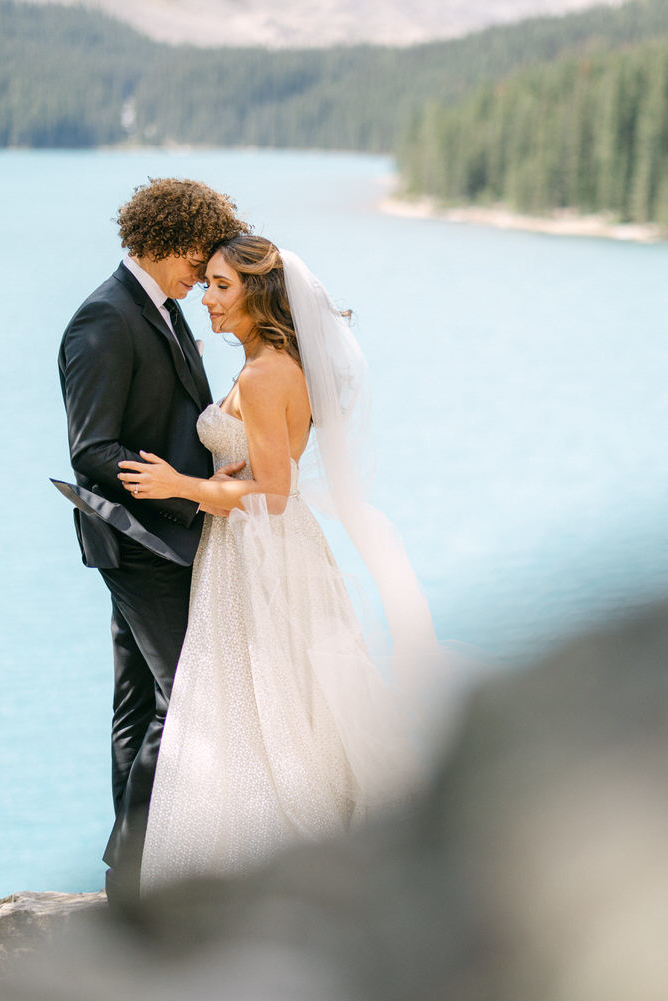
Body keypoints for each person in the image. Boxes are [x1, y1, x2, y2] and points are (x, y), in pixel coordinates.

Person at [117, 235, 436, 890]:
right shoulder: (276, 363)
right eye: (205, 282)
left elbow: (274, 490)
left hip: (258, 548)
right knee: (273, 696)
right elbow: (270, 464)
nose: (206, 297)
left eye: (220, 285)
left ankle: (261, 863)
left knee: (257, 699)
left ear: (259, 294)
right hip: (262, 545)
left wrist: (182, 487)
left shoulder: (265, 376)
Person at [57, 178, 247, 904]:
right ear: (169, 237)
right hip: (139, 542)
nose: (203, 273)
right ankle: (131, 867)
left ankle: (128, 876)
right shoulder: (103, 321)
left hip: (167, 535)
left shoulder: (159, 309)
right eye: (199, 255)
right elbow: (90, 448)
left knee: (138, 701)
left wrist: (204, 476)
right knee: (185, 696)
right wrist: (179, 486)